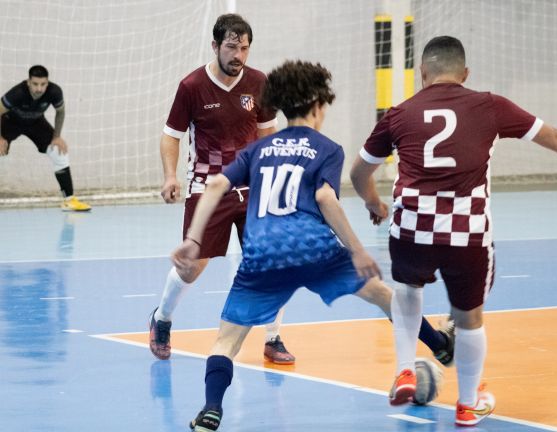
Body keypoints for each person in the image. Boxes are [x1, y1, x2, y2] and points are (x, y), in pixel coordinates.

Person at [350, 35, 557, 427]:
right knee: (469, 317)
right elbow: (552, 136)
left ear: (422, 73)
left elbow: (359, 171)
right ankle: (468, 405)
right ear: (465, 73)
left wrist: (373, 203)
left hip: (411, 228)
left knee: (407, 290)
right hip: (466, 234)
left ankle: (404, 368)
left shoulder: (399, 113)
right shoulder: (489, 105)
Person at [173, 60, 454, 432]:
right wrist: (356, 248)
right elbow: (325, 197)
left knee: (226, 341)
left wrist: (193, 239)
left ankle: (211, 410)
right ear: (318, 106)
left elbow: (213, 187)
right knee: (386, 297)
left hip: (262, 253)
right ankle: (439, 345)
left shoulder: (257, 149)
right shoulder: (327, 148)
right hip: (313, 247)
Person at [147, 14, 296, 364]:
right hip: (208, 187)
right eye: (231, 46)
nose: (238, 55)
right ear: (215, 46)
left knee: (270, 261)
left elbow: (266, 134)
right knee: (192, 266)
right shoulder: (192, 86)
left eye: (244, 48)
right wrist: (171, 176)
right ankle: (162, 319)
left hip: (251, 187)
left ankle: (273, 338)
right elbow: (172, 136)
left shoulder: (260, 83)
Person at [0, 65, 91, 211]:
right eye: (35, 84)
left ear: (47, 83)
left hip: (36, 122)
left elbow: (60, 112)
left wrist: (56, 137)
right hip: (10, 122)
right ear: (28, 82)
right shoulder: (17, 93)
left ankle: (69, 201)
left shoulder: (54, 91)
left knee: (58, 150)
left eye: (43, 84)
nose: (39, 89)